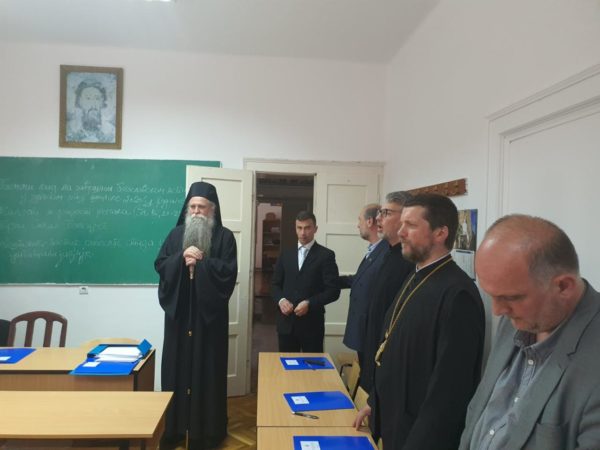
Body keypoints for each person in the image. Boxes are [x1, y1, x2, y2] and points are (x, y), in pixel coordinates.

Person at [355, 193, 485, 449]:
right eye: (401, 223)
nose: (401, 232)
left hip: (418, 435)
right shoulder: (416, 275)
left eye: (411, 225)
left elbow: (449, 391)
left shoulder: (458, 295)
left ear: (440, 233)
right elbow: (392, 345)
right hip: (394, 417)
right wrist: (375, 402)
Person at [460, 215, 600, 450]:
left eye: (511, 297)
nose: (497, 311)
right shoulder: (518, 317)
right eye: (492, 296)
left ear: (563, 286)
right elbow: (482, 412)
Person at [155, 182, 237, 450]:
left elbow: (228, 273)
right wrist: (181, 259)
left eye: (202, 207)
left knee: (207, 372)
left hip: (208, 322)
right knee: (176, 371)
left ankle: (207, 432)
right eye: (192, 206)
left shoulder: (225, 238)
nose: (196, 212)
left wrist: (201, 264)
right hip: (179, 319)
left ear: (212, 209)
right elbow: (160, 264)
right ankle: (174, 429)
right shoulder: (175, 234)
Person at [359, 191, 414, 394]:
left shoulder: (408, 262)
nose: (379, 219)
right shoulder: (387, 254)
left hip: (387, 361)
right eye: (380, 213)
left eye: (386, 213)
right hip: (371, 347)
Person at [271, 210, 340, 352]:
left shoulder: (326, 255)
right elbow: (275, 285)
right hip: (286, 324)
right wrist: (281, 300)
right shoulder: (286, 254)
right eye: (299, 228)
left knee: (312, 365)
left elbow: (333, 291)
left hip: (312, 326)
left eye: (307, 228)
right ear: (295, 228)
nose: (303, 233)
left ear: (315, 229)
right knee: (286, 364)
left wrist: (309, 303)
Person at [338, 203, 387, 370]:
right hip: (363, 330)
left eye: (359, 220)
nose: (357, 225)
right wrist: (331, 281)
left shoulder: (385, 252)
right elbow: (360, 280)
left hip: (371, 331)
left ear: (370, 221)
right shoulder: (375, 250)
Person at [66, 79, 115, 143]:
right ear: (80, 101)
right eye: (88, 98)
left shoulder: (111, 131)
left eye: (97, 98)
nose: (93, 105)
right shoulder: (69, 129)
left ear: (102, 102)